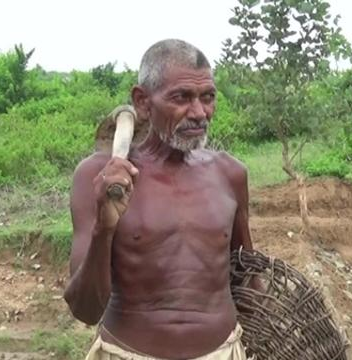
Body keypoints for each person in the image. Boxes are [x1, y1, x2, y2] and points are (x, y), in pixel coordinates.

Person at [64, 39, 255, 360]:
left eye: (207, 97)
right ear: (142, 101)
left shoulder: (230, 174)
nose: (199, 113)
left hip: (223, 353)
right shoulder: (99, 177)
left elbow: (248, 277)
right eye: (181, 97)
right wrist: (104, 227)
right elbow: (85, 309)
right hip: (126, 354)